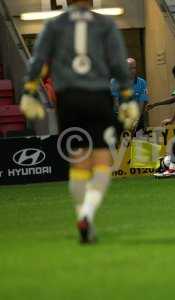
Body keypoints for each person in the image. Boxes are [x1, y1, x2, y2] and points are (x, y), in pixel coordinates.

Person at [19, 0, 139, 244]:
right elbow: (118, 64)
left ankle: (83, 219)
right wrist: (127, 97)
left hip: (68, 99)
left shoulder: (54, 24)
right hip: (97, 97)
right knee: (102, 163)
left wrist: (29, 90)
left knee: (79, 163)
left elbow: (38, 60)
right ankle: (86, 214)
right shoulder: (104, 23)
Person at [111, 57, 149, 136]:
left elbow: (142, 103)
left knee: (140, 143)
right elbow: (116, 102)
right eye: (129, 68)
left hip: (137, 118)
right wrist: (126, 121)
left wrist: (136, 120)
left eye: (134, 68)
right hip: (120, 117)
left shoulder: (142, 82)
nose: (132, 71)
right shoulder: (115, 81)